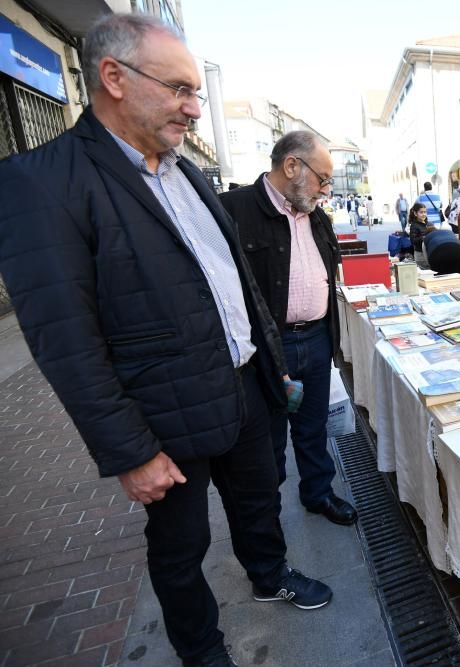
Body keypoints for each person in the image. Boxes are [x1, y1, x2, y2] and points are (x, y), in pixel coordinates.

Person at [0, 14, 330, 667]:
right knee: (180, 546)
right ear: (113, 78)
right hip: (164, 414)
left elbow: (236, 284)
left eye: (196, 93)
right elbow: (66, 338)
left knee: (260, 496)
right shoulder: (43, 182)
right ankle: (201, 646)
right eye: (179, 89)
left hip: (244, 386)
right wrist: (130, 450)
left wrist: (269, 368)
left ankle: (269, 574)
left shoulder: (189, 174)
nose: (193, 107)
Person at [219, 131, 357, 530]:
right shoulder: (233, 209)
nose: (327, 190)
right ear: (292, 166)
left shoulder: (315, 214)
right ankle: (266, 520)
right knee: (267, 441)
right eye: (323, 179)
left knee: (312, 428)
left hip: (315, 338)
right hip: (265, 348)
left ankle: (318, 493)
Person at [408, 202, 435, 269]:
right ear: (415, 213)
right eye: (421, 212)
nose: (424, 214)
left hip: (429, 252)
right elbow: (413, 241)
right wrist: (425, 237)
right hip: (420, 255)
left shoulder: (429, 224)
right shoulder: (414, 225)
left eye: (425, 212)